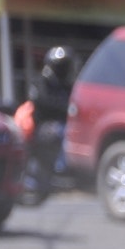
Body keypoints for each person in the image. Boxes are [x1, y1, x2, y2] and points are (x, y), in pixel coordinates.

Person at [21, 46, 78, 203]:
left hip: (62, 124)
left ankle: (80, 172)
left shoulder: (67, 86)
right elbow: (42, 102)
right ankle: (62, 170)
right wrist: (65, 108)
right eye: (61, 66)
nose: (64, 70)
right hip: (43, 127)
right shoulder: (41, 82)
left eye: (65, 66)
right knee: (63, 131)